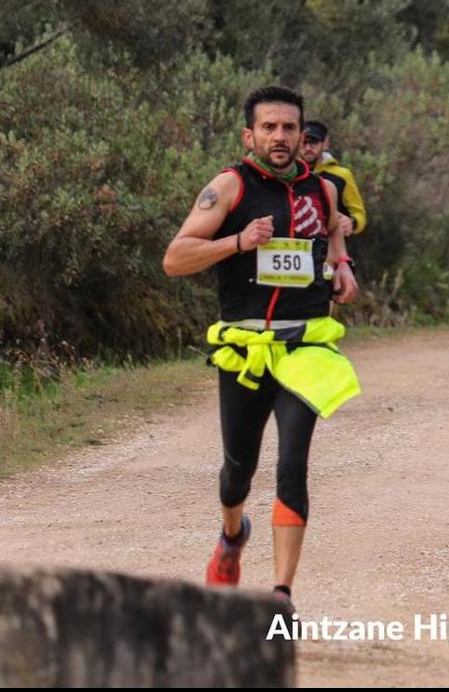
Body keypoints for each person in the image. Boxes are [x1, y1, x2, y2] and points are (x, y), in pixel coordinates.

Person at [163, 85, 360, 608]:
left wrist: (342, 268)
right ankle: (232, 534)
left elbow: (334, 240)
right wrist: (238, 241)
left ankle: (281, 595)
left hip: (306, 348)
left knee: (292, 465)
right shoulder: (229, 187)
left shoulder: (324, 191)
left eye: (289, 128)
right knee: (237, 472)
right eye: (269, 127)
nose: (280, 137)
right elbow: (176, 257)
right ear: (249, 134)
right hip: (247, 348)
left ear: (303, 136)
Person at [300, 120, 367, 237]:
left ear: (325, 143)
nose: (308, 147)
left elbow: (359, 213)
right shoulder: (290, 174)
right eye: (303, 143)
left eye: (314, 142)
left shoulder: (342, 175)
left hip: (333, 246)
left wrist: (352, 223)